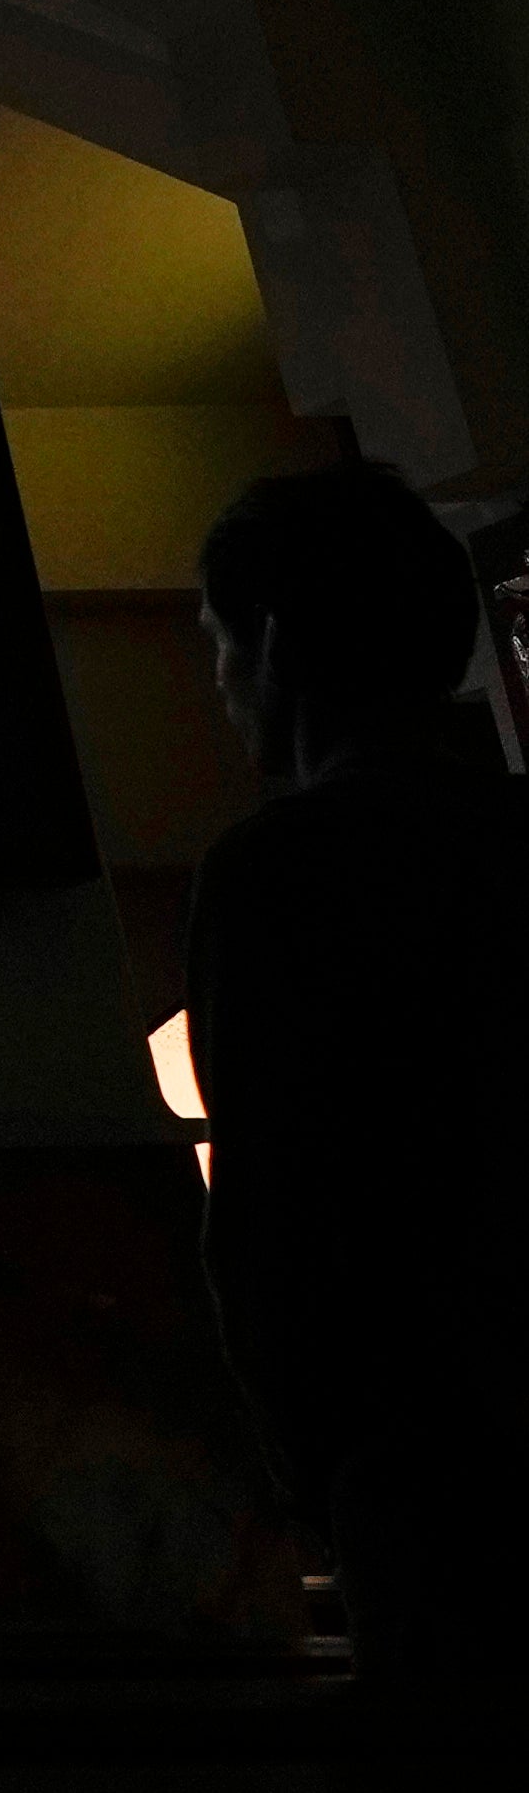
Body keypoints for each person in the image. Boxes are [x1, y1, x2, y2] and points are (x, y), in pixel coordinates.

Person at [184, 455, 529, 1690]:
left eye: (220, 642)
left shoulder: (277, 874)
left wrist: (311, 1465)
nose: (220, 682)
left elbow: (270, 1214)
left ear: (273, 642)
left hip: (429, 1468)